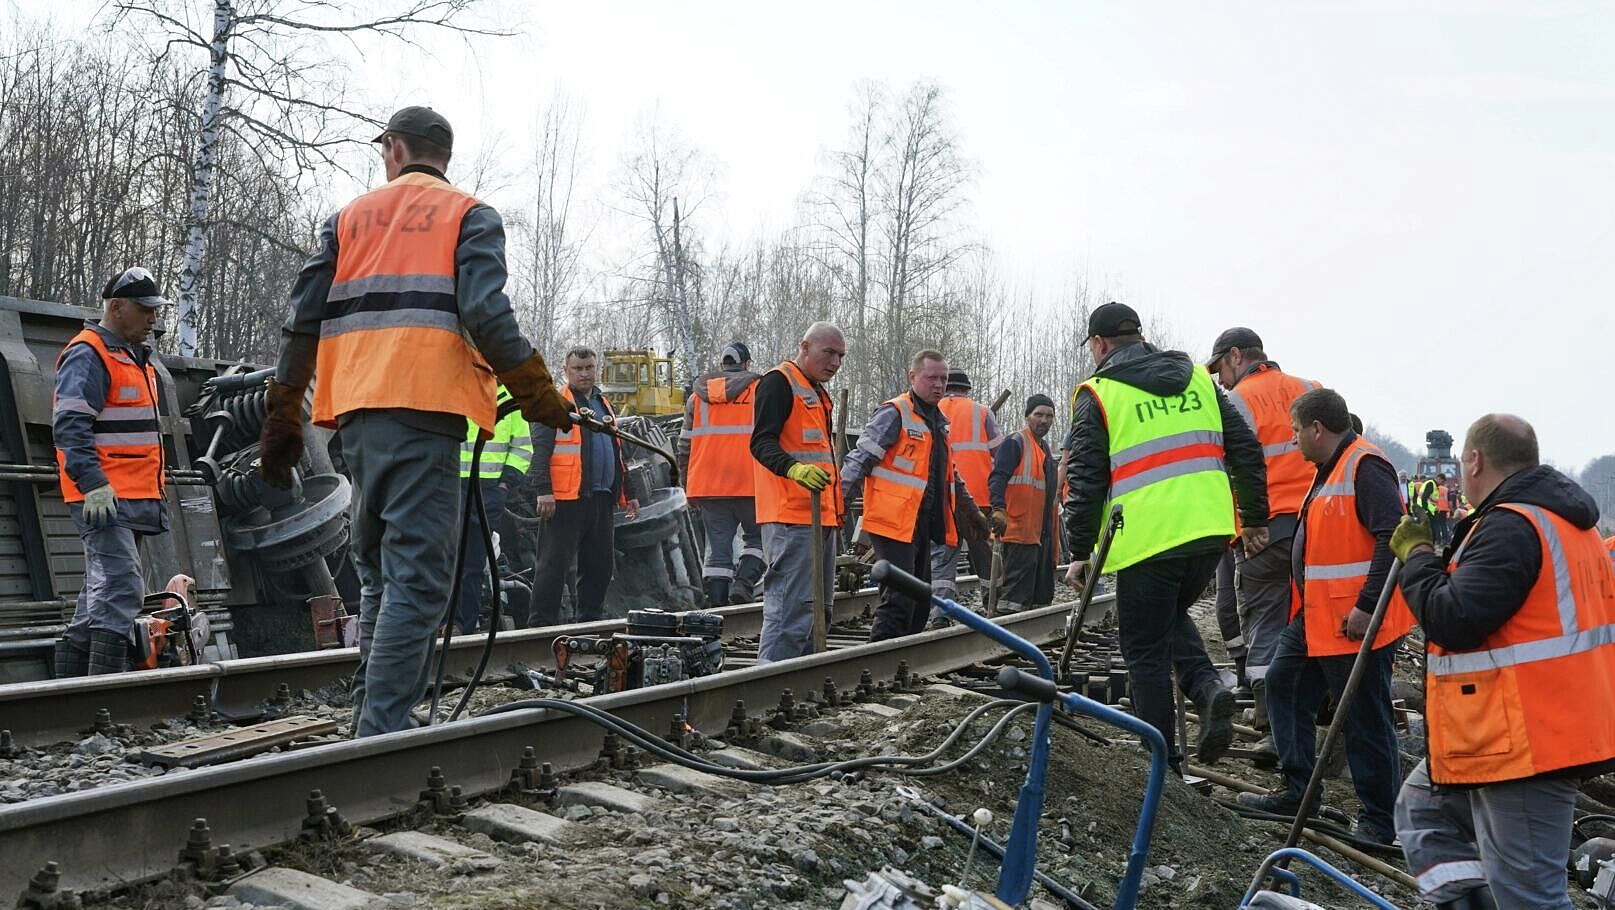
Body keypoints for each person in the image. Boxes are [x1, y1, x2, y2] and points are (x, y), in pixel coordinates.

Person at [260, 106, 571, 736]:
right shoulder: (470, 214)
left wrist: (282, 413)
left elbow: (302, 321)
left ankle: (368, 725)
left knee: (378, 573)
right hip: (425, 413)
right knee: (420, 580)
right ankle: (381, 737)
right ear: (442, 156)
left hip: (352, 420)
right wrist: (537, 391)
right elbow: (485, 311)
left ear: (395, 150)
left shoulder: (346, 219)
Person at [1391, 415, 1615, 910]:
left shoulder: (1513, 527)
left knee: (1531, 898)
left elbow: (1453, 618)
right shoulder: (1557, 523)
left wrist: (1419, 556)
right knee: (1423, 811)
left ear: (1473, 460)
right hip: (1503, 733)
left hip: (1526, 742)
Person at [1063, 302, 1268, 770]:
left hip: (1148, 538)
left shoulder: (1098, 393)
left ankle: (1163, 760)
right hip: (1209, 532)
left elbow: (1087, 476)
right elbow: (1246, 449)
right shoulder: (1200, 380)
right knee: (1170, 618)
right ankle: (1207, 688)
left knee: (1144, 650)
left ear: (1099, 345)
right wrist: (1254, 517)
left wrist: (1079, 550)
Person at [1236, 388, 1412, 846]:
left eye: (1296, 431)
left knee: (1364, 718)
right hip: (1317, 619)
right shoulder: (1328, 468)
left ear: (1318, 428)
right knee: (1284, 684)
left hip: (1355, 624)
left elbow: (1391, 537)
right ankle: (1299, 791)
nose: (1293, 440)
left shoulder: (1365, 466)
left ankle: (1379, 823)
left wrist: (1367, 606)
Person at [1207, 327, 1321, 760]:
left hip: (1265, 531)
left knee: (1265, 623)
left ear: (1236, 356)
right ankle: (1318, 712)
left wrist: (1240, 527)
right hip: (1319, 525)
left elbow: (1229, 470)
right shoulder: (1311, 389)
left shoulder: (1235, 401)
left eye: (1221, 368)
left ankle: (1273, 725)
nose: (1219, 379)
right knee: (1317, 619)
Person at [51, 268, 172, 676]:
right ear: (116, 307)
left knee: (97, 598)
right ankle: (104, 696)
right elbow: (69, 426)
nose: (152, 318)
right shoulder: (90, 353)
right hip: (105, 496)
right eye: (144, 310)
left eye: (156, 310)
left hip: (131, 495)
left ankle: (67, 695)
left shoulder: (134, 358)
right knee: (120, 586)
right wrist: (95, 485)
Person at [843, 350, 989, 641]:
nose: (939, 385)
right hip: (892, 523)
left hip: (920, 523)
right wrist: (838, 503)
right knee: (900, 599)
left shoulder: (937, 423)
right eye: (931, 377)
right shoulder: (894, 413)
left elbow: (951, 477)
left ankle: (901, 661)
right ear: (913, 377)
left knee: (921, 602)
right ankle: (879, 662)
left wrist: (974, 515)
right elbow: (859, 460)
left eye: (943, 379)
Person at [749, 322, 846, 661]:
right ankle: (770, 683)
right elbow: (761, 442)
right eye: (829, 353)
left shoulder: (817, 391)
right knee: (790, 610)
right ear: (805, 347)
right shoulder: (778, 383)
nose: (835, 362)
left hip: (820, 516)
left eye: (840, 356)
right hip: (791, 517)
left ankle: (799, 686)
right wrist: (794, 469)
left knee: (817, 612)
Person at [530, 347, 636, 626]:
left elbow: (617, 451)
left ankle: (589, 623)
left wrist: (629, 493)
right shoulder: (554, 403)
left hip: (600, 497)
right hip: (565, 499)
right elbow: (540, 450)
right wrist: (544, 490)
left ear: (597, 369)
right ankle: (540, 627)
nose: (584, 373)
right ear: (566, 371)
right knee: (553, 566)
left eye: (589, 367)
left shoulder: (604, 403)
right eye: (577, 368)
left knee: (599, 566)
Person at [678, 341, 765, 605]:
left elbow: (684, 447)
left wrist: (687, 486)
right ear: (747, 365)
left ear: (722, 365)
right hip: (751, 484)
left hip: (709, 486)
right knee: (759, 540)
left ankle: (717, 608)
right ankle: (743, 585)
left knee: (718, 550)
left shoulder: (697, 397)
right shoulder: (759, 391)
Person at [454, 384, 532, 632]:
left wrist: (505, 485)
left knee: (473, 563)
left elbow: (522, 447)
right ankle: (447, 622)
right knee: (444, 560)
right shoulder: (453, 389)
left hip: (487, 493)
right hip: (451, 488)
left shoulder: (509, 401)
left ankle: (465, 625)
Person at [932, 370, 1000, 607]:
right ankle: (991, 605)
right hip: (977, 497)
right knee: (984, 554)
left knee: (943, 556)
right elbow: (999, 456)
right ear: (967, 389)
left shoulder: (930, 409)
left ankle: (940, 612)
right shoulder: (981, 412)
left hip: (942, 499)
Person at [987, 394, 1059, 613]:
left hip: (1038, 534)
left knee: (1038, 594)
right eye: (1038, 414)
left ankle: (1030, 631)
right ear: (1027, 416)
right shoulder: (1016, 442)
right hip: (1017, 532)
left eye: (1049, 416)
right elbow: (997, 478)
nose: (1044, 420)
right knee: (1014, 597)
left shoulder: (1044, 449)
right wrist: (998, 509)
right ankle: (1007, 631)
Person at [1432, 473, 1453, 547]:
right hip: (1444, 509)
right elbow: (1450, 502)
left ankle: (1438, 541)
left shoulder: (1434, 487)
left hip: (1435, 509)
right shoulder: (1446, 489)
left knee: (1436, 525)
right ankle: (1445, 540)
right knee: (1443, 525)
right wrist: (1451, 510)